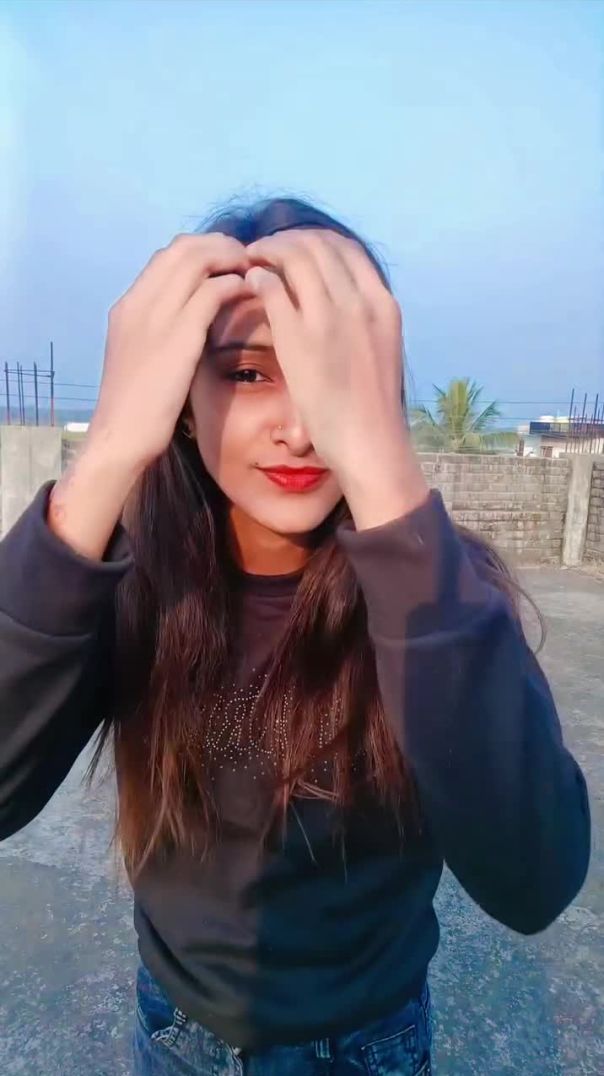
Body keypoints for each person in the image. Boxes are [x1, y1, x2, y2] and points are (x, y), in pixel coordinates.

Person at [0, 197, 590, 1076]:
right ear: (180, 398)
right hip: (177, 1033)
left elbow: (533, 881)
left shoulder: (442, 591)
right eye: (248, 373)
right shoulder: (129, 579)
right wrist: (110, 457)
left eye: (330, 374)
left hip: (369, 1043)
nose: (301, 428)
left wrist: (390, 488)